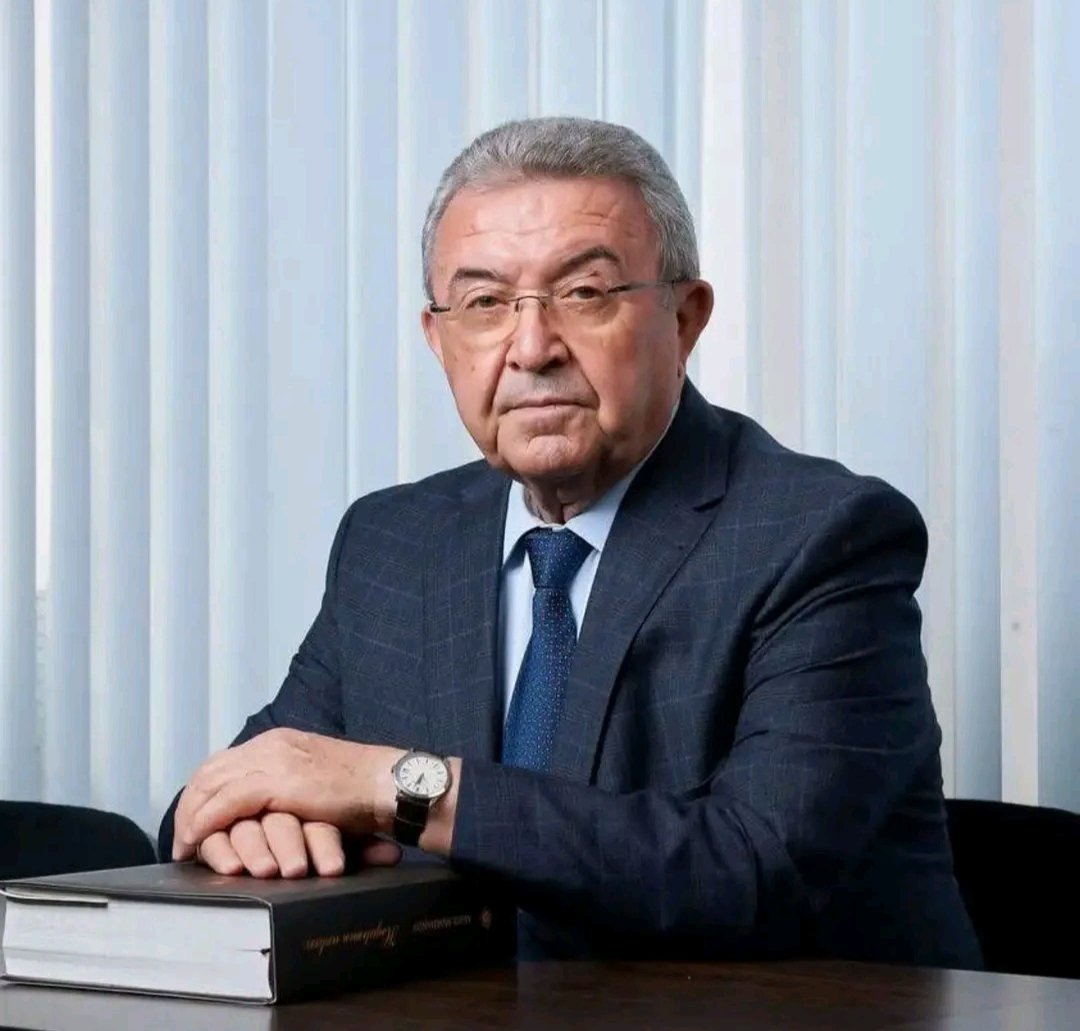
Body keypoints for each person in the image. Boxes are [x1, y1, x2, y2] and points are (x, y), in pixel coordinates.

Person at [159, 116, 981, 967]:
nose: (531, 348)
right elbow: (238, 785)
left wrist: (394, 786)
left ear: (685, 318)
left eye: (585, 293)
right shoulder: (393, 544)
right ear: (438, 339)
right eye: (484, 304)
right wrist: (244, 826)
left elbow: (753, 869)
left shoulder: (819, 537)